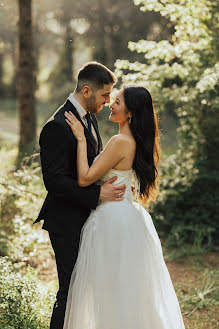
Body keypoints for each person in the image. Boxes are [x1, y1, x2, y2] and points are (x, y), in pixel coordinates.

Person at [63, 85, 186, 329]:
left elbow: (85, 178)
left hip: (112, 220)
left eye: (117, 101)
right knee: (127, 288)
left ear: (130, 113)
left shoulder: (120, 141)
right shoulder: (133, 141)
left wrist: (79, 139)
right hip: (127, 216)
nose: (111, 104)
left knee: (108, 289)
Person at [34, 62, 127, 329]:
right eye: (104, 95)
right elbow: (54, 182)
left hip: (86, 217)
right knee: (70, 290)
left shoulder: (90, 116)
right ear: (86, 90)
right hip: (65, 220)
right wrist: (98, 195)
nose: (108, 101)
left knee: (85, 288)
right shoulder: (57, 126)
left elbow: (89, 163)